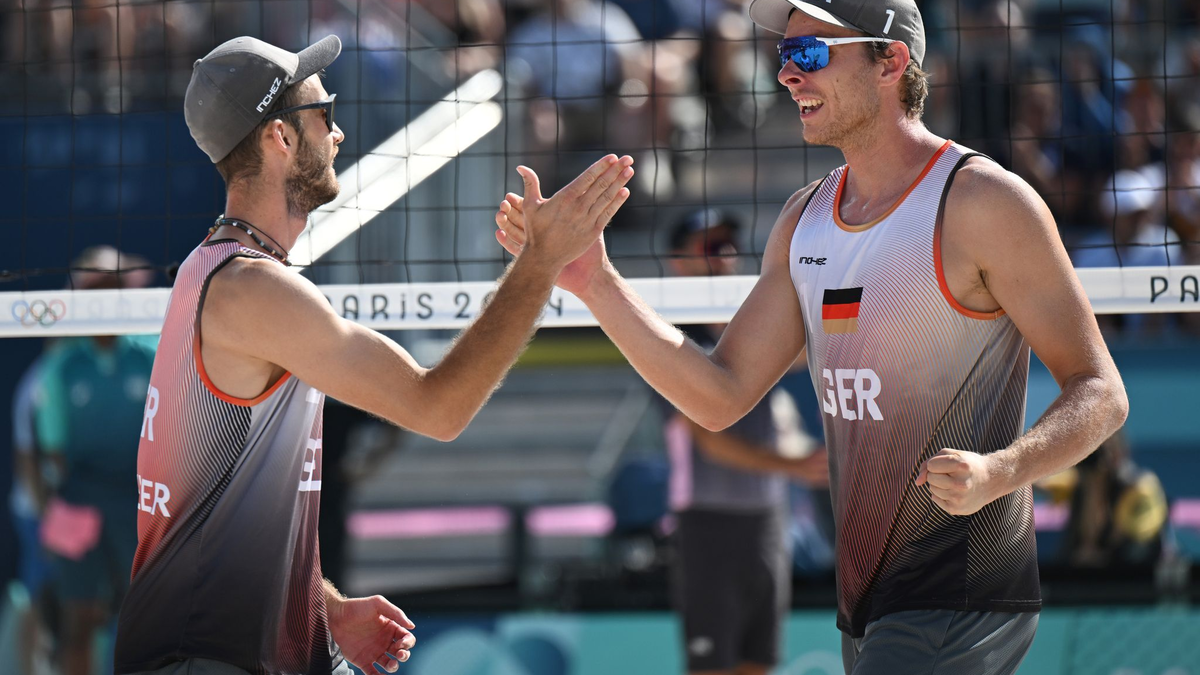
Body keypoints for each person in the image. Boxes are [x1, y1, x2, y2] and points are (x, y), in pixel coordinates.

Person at [494, 1, 1128, 673]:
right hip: (869, 604)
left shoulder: (983, 203)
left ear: (891, 60)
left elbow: (1102, 390)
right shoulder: (804, 221)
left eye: (812, 54)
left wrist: (1001, 470)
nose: (788, 76)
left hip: (962, 588)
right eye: (784, 57)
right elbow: (719, 394)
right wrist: (595, 281)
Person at [112, 34, 633, 675]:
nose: (339, 133)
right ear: (278, 138)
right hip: (208, 655)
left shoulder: (213, 274)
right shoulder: (252, 292)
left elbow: (221, 515)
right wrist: (541, 263)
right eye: (323, 114)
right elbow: (438, 407)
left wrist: (318, 606)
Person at [663, 209, 827, 675]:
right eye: (711, 248)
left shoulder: (748, 324)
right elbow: (709, 441)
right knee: (712, 667)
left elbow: (811, 351)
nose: (726, 257)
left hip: (767, 520)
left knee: (759, 663)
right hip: (708, 522)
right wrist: (795, 467)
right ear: (678, 261)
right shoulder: (669, 337)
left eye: (729, 247)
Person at [34, 246, 157, 675]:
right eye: (98, 286)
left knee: (141, 620)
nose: (109, 294)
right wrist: (50, 512)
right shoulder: (62, 366)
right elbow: (46, 449)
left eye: (116, 285)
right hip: (78, 500)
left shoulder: (152, 354)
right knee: (77, 620)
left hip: (137, 502)